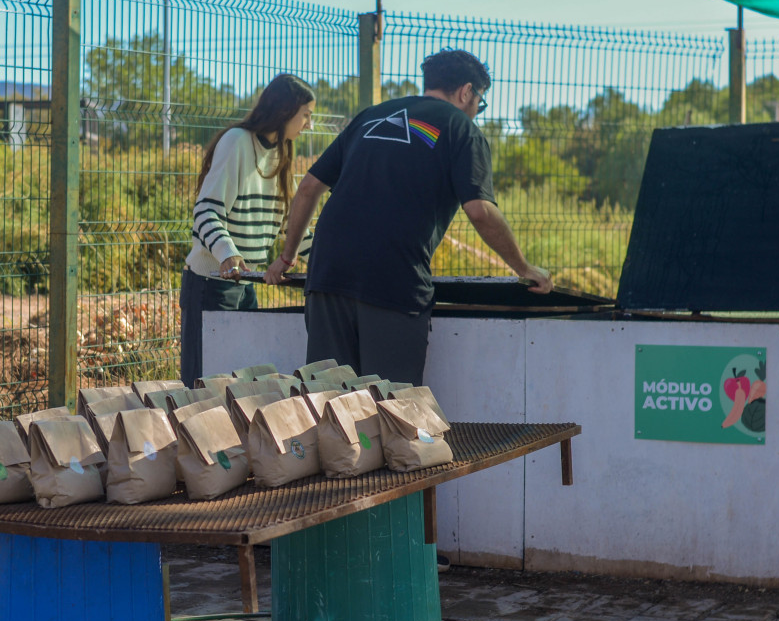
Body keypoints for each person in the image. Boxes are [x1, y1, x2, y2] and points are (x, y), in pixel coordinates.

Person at [265, 49, 552, 387]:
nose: (477, 111)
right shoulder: (461, 128)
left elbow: (309, 187)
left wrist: (286, 257)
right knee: (391, 412)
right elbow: (479, 210)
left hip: (328, 275)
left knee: (330, 406)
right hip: (392, 280)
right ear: (466, 92)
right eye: (480, 103)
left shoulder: (371, 116)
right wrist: (524, 268)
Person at [181, 73, 315, 386]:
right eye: (306, 115)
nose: (309, 124)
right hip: (211, 282)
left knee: (239, 386)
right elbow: (205, 210)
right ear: (285, 111)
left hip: (245, 282)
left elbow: (290, 225)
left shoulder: (281, 151)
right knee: (204, 389)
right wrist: (228, 254)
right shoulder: (237, 142)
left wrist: (329, 258)